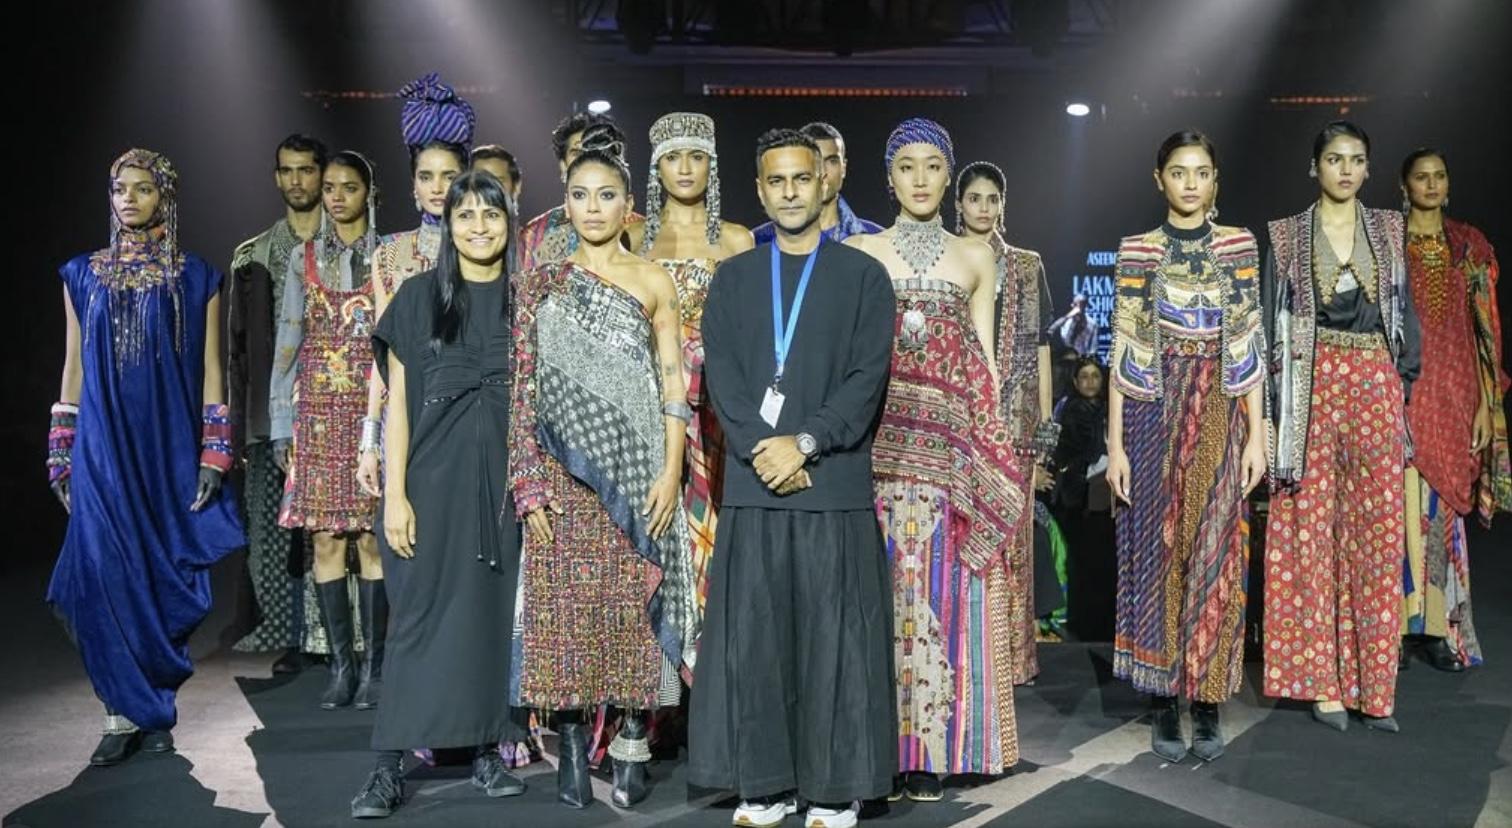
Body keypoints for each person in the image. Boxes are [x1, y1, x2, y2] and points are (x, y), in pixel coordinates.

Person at [689, 128, 897, 828]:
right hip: (756, 486)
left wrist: (805, 443)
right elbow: (723, 378)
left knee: (834, 645)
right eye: (775, 181)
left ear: (825, 182)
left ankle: (834, 790)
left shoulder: (863, 276)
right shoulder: (734, 277)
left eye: (801, 179)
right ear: (759, 189)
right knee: (757, 644)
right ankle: (767, 784)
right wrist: (763, 449)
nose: (789, 192)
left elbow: (867, 379)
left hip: (832, 484)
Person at [510, 146, 697, 809]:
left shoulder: (653, 280)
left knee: (633, 614)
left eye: (607, 195)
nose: (593, 208)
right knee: (565, 616)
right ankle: (568, 746)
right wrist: (527, 484)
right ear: (566, 204)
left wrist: (671, 470)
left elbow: (674, 386)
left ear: (628, 205)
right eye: (581, 195)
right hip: (559, 478)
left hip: (640, 470)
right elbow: (521, 390)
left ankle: (632, 744)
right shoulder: (541, 282)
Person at [846, 118, 1026, 799]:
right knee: (879, 602)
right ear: (888, 176)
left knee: (943, 598)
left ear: (949, 175)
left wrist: (989, 452)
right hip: (874, 455)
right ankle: (877, 752)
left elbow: (984, 365)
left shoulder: (975, 256)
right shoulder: (860, 251)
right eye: (906, 166)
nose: (919, 179)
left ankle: (930, 753)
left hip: (948, 459)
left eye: (931, 166)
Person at [47, 149, 244, 765]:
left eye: (142, 189)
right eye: (118, 189)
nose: (128, 199)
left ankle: (155, 708)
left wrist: (215, 452)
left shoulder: (197, 277)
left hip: (166, 449)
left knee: (161, 580)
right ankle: (118, 713)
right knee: (97, 576)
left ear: (166, 197)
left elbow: (212, 370)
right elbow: (73, 366)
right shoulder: (80, 274)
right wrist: (61, 451)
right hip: (102, 451)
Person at [347, 171, 527, 819]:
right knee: (417, 623)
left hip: (501, 494)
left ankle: (484, 751)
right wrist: (395, 496)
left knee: (487, 622)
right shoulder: (418, 297)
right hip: (427, 487)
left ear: (509, 223)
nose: (479, 227)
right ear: (448, 226)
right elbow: (397, 407)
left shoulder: (527, 302)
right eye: (466, 215)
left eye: (491, 215)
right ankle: (386, 768)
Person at [1105, 131, 1267, 762]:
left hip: (1221, 406)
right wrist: (1117, 445)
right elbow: (1123, 346)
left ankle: (1206, 701)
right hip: (1152, 409)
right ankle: (1162, 699)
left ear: (1215, 179)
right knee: (1157, 550)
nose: (1191, 183)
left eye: (1201, 172)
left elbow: (1248, 341)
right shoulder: (1137, 250)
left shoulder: (1237, 245)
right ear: (1160, 179)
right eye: (1179, 172)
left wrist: (1258, 436)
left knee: (1217, 552)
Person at [1263, 120, 1420, 733]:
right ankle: (1322, 684)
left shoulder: (1388, 228)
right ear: (1315, 166)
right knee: (1309, 527)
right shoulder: (1286, 236)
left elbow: (1404, 315)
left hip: (1375, 380)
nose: (1346, 169)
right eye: (1334, 159)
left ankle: (1374, 687)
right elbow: (1273, 327)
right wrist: (1273, 414)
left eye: (1356, 159)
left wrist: (1400, 386)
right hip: (1311, 383)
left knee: (1377, 531)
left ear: (1368, 168)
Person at [628, 111, 755, 641]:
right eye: (673, 157)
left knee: (714, 534)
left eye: (697, 157)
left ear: (713, 166)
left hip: (717, 411)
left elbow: (751, 333)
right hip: (648, 407)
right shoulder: (632, 237)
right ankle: (658, 665)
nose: (685, 168)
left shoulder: (738, 240)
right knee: (654, 527)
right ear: (655, 167)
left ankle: (709, 661)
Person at [270, 151, 382, 710]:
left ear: (369, 193)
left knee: (371, 537)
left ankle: (376, 669)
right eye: (331, 187)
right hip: (315, 411)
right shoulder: (303, 257)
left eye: (349, 187)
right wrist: (280, 422)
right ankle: (342, 666)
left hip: (372, 406)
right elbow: (288, 341)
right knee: (325, 538)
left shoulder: (388, 255)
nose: (337, 197)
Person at [1397, 147, 1508, 672]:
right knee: (1398, 510)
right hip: (1404, 391)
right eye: (1421, 177)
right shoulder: (1388, 243)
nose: (1432, 184)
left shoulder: (1468, 246)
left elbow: (1487, 332)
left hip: (1458, 394)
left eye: (1439, 176)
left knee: (1442, 514)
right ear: (1404, 186)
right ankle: (1397, 627)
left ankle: (1439, 628)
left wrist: (1487, 402)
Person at [227, 134, 326, 671]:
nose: (296, 180)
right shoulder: (254, 255)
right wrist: (238, 429)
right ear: (276, 177)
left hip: (337, 405)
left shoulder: (351, 248)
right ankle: (291, 635)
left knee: (335, 531)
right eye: (287, 170)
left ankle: (337, 637)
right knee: (277, 533)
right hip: (273, 414)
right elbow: (238, 350)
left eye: (306, 169)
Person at [956, 159, 1056, 684]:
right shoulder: (949, 259)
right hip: (961, 419)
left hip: (1017, 422)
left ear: (1003, 204)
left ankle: (1013, 659)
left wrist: (1045, 423)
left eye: (992, 198)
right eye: (974, 198)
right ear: (959, 204)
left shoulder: (1026, 265)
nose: (984, 207)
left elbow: (1042, 347)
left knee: (1015, 539)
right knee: (968, 533)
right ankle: (970, 652)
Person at [517, 112, 643, 271]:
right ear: (563, 165)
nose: (588, 160)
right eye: (578, 153)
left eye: (597, 151)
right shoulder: (534, 234)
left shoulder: (643, 232)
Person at [751, 122, 881, 244]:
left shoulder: (876, 239)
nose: (822, 171)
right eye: (814, 163)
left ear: (843, 168)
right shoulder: (756, 241)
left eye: (831, 161)